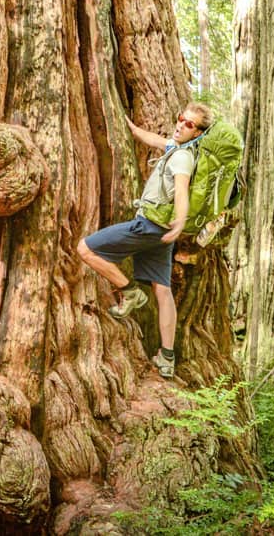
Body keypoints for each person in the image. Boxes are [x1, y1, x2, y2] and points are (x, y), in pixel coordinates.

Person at [76, 102, 213, 379]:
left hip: (149, 226)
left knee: (86, 249)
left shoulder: (183, 158)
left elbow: (182, 191)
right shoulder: (178, 149)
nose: (180, 125)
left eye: (188, 124)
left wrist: (182, 222)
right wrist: (130, 127)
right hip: (160, 234)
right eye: (180, 118)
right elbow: (156, 140)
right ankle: (167, 356)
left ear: (198, 132)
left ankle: (129, 291)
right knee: (162, 290)